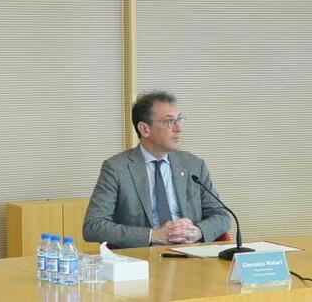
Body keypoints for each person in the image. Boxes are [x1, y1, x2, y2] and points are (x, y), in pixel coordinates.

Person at [83, 91, 230, 248]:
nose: (178, 128)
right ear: (144, 129)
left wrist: (198, 232)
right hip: (143, 255)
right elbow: (93, 226)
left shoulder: (193, 165)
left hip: (190, 251)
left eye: (179, 119)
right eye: (169, 121)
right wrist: (153, 235)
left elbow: (222, 215)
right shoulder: (116, 168)